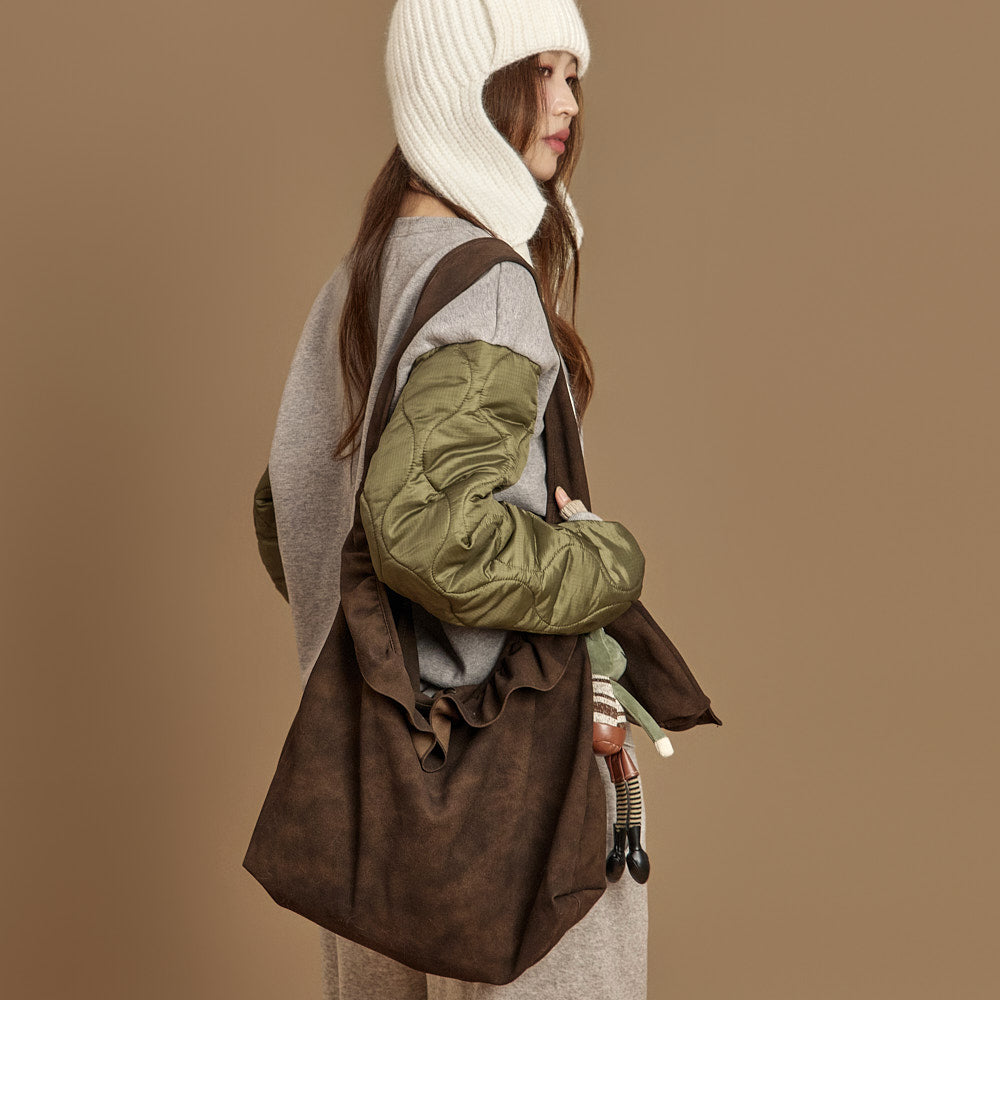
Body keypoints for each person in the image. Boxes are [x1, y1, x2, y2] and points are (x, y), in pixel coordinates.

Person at [262, 0, 699, 999]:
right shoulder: (488, 286)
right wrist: (602, 560)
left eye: (573, 75)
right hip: (510, 805)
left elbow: (288, 510)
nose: (568, 104)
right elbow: (420, 530)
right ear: (463, 90)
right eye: (539, 72)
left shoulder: (359, 280)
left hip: (375, 805)